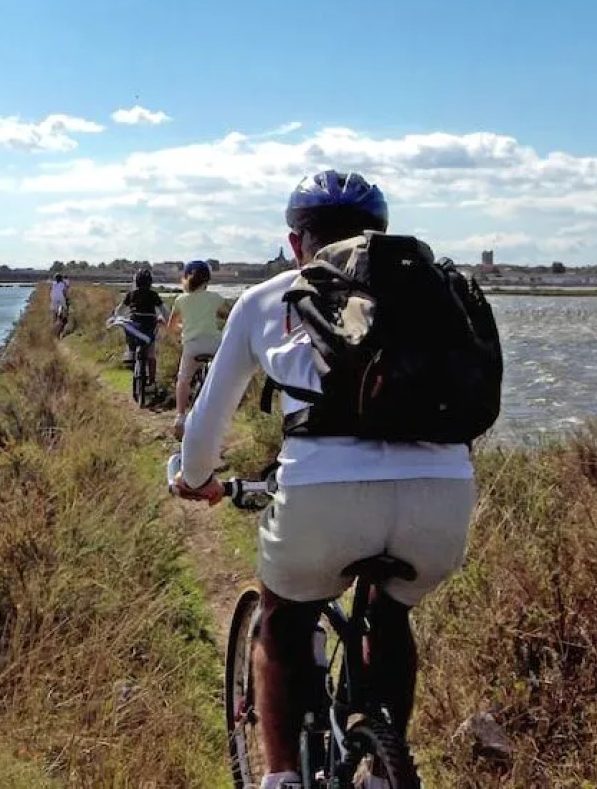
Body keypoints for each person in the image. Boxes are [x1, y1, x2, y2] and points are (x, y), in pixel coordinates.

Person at [172, 171, 475, 789]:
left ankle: (282, 776)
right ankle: (383, 773)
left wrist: (193, 477)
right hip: (443, 497)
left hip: (322, 500)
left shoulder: (268, 299)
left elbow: (207, 422)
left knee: (283, 621)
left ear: (295, 242)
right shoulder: (429, 293)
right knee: (391, 617)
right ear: (380, 234)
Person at [166, 260, 226, 436]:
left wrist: (182, 329)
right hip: (215, 345)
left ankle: (180, 416)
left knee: (183, 380)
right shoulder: (215, 298)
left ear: (185, 278)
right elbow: (230, 316)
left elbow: (171, 326)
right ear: (207, 281)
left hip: (192, 346)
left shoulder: (180, 300)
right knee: (220, 379)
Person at [115, 267, 166, 385]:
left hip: (135, 328)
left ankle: (130, 354)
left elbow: (120, 310)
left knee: (129, 335)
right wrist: (165, 320)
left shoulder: (131, 294)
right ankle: (152, 380)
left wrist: (116, 316)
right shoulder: (153, 295)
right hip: (149, 328)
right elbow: (164, 310)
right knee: (151, 355)